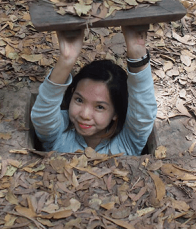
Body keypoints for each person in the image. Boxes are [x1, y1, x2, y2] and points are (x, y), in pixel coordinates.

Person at [31, 26, 157, 156]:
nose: (85, 114)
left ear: (116, 113)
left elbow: (143, 110)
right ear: (72, 93)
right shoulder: (57, 134)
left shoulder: (127, 142)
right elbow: (43, 114)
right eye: (79, 100)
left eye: (100, 107)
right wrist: (66, 59)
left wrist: (137, 52)